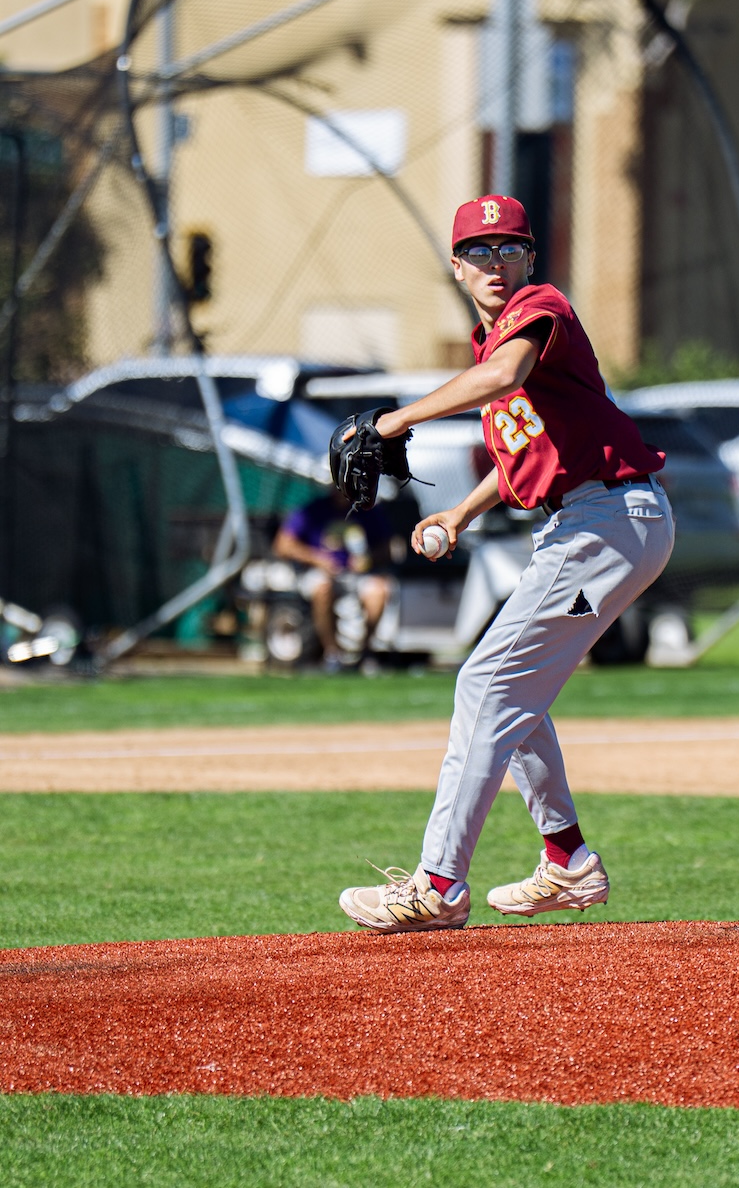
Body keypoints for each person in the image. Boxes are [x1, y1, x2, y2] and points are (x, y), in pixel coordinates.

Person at [338, 194, 674, 933]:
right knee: (514, 690)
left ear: (529, 258)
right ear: (457, 267)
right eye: (479, 251)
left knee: (485, 683)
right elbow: (523, 453)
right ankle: (567, 859)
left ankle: (437, 885)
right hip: (597, 524)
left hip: (606, 521)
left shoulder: (538, 310)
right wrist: (459, 513)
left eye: (509, 247)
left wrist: (392, 421)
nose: (495, 262)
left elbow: (502, 379)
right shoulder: (493, 344)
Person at [273, 488, 391, 669]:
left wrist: (368, 559)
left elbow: (387, 548)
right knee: (323, 587)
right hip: (320, 573)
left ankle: (365, 652)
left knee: (379, 590)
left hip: (356, 575)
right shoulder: (313, 510)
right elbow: (282, 545)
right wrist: (317, 558)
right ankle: (332, 653)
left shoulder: (368, 509)